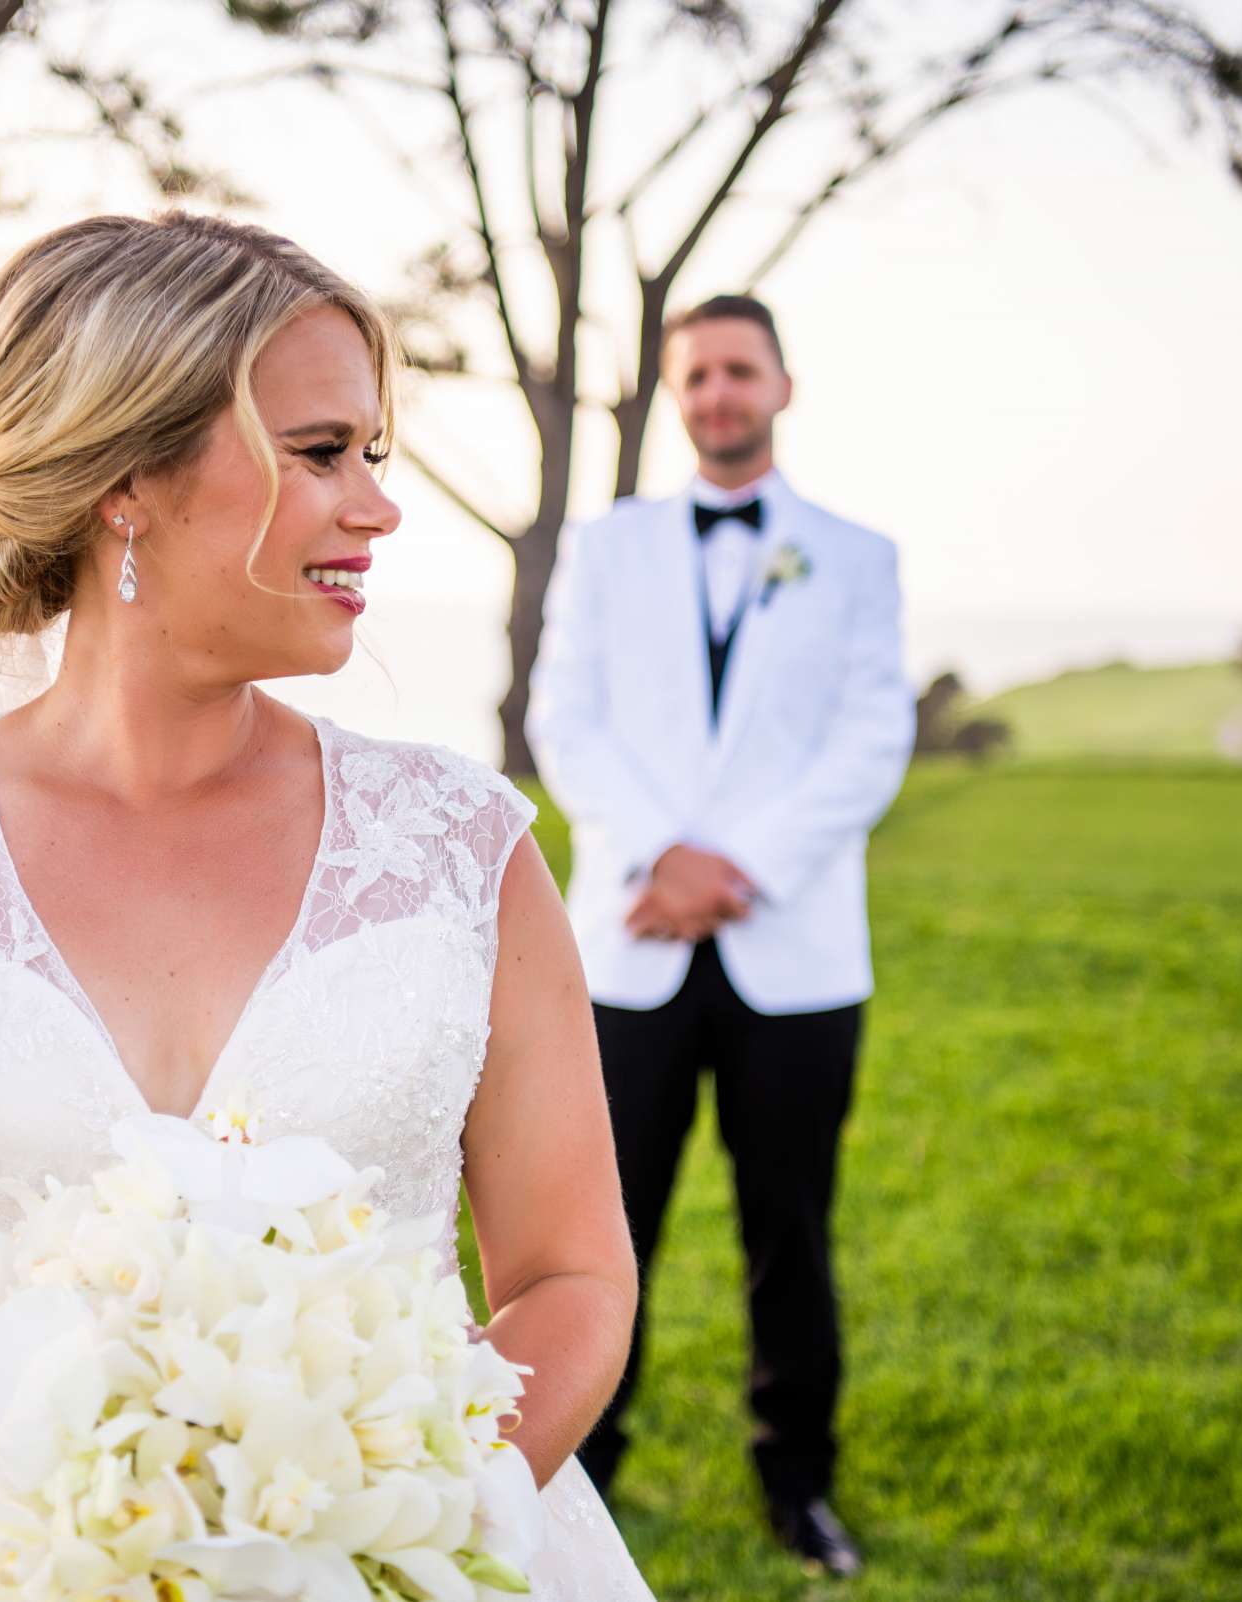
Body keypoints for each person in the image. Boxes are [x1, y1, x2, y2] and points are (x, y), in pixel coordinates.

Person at [0, 211, 655, 1602]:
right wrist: (25, 1578)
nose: (376, 505)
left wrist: (388, 1539)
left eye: (372, 454)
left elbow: (571, 1277)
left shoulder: (463, 850)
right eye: (323, 453)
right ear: (127, 478)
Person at [527, 293, 915, 1576]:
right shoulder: (609, 546)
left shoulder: (856, 556)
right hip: (632, 944)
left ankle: (798, 1484)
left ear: (782, 388)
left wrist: (735, 870)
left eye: (739, 372)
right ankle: (572, 1471)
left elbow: (871, 740)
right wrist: (661, 859)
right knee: (597, 1227)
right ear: (677, 392)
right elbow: (565, 718)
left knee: (789, 1229)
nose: (716, 395)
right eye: (696, 376)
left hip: (793, 954)